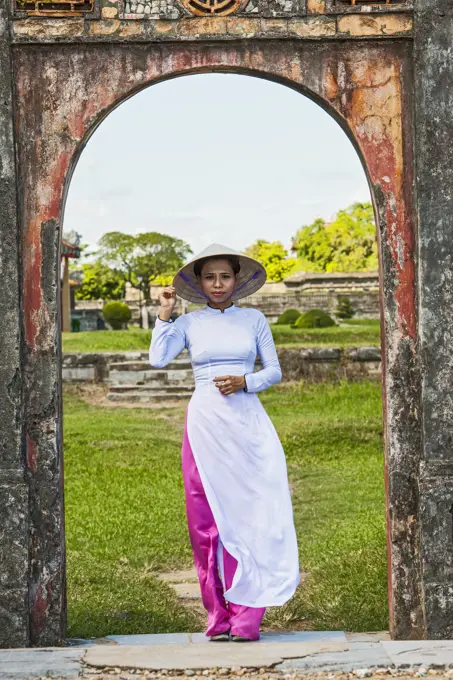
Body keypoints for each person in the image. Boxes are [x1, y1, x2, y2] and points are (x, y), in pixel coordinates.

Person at [149, 243, 299, 643]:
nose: (218, 283)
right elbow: (158, 359)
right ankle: (217, 614)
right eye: (210, 276)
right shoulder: (188, 322)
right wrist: (164, 313)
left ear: (237, 279)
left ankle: (248, 615)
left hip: (248, 424)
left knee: (252, 511)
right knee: (206, 519)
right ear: (198, 282)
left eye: (225, 276)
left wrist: (245, 382)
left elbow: (274, 371)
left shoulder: (253, 320)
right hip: (204, 425)